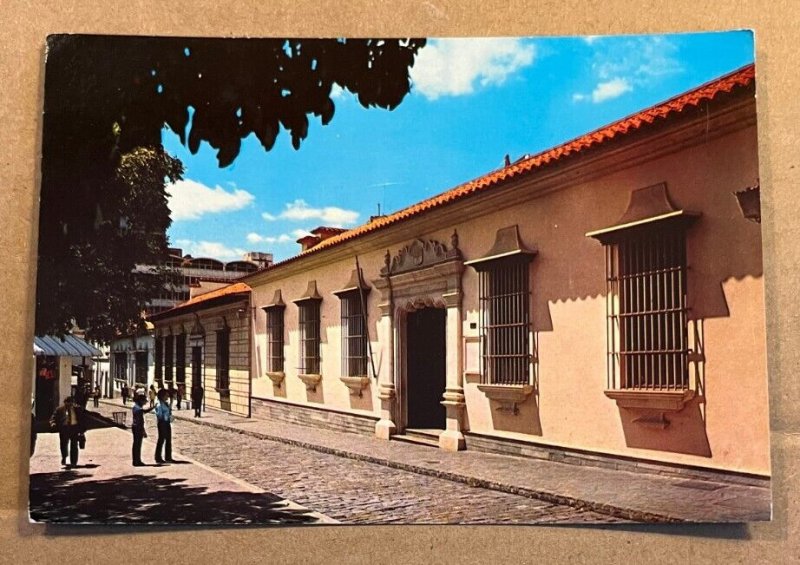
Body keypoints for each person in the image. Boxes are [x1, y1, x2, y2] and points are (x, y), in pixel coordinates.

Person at [49, 396, 85, 468]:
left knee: (74, 445)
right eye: (67, 403)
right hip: (64, 429)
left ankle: (73, 462)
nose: (69, 405)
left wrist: (82, 430)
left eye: (70, 403)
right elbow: (53, 418)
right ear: (65, 403)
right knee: (63, 445)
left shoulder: (77, 409)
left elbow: (83, 419)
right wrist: (53, 423)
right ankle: (64, 457)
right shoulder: (60, 409)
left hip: (74, 428)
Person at [131, 394, 154, 466]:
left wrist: (152, 407)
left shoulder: (136, 407)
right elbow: (140, 421)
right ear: (141, 401)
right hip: (138, 427)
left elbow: (144, 411)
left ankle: (136, 461)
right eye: (144, 400)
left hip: (135, 427)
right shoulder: (138, 409)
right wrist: (143, 431)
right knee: (137, 445)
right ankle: (137, 461)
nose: (146, 402)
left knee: (136, 445)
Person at [154, 389, 174, 463]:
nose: (167, 396)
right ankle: (158, 457)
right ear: (162, 396)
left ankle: (168, 457)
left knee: (168, 440)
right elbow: (159, 415)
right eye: (166, 395)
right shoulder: (159, 404)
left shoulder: (165, 403)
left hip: (167, 423)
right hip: (162, 423)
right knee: (161, 440)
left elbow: (169, 411)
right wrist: (167, 417)